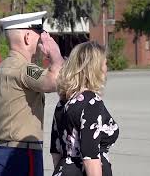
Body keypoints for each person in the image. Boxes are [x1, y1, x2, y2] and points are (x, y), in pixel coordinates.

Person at [0, 11, 64, 176]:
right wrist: (56, 54)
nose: (40, 39)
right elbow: (56, 81)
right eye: (38, 34)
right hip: (21, 156)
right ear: (27, 37)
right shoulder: (24, 69)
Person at [50, 42, 119, 176]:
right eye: (104, 64)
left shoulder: (63, 103)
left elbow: (56, 151)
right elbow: (90, 156)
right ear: (94, 68)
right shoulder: (91, 102)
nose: (106, 68)